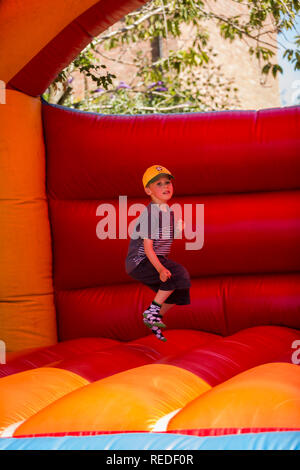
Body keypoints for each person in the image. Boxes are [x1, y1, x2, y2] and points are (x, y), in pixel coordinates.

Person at [125, 165, 191, 342]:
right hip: (140, 260)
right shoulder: (151, 214)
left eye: (167, 183)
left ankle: (154, 317)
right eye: (159, 184)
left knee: (181, 288)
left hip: (154, 258)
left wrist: (177, 231)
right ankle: (152, 311)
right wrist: (161, 269)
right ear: (148, 190)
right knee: (177, 274)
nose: (165, 187)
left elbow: (164, 238)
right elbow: (147, 247)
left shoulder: (167, 212)